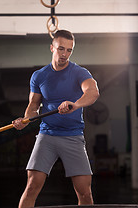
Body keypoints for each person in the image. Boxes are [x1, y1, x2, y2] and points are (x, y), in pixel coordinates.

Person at [12, 30, 99, 208]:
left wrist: (75, 105)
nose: (65, 54)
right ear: (52, 48)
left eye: (69, 50)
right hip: (47, 136)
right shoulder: (39, 76)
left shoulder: (79, 72)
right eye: (61, 49)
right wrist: (26, 120)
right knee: (31, 187)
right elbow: (33, 106)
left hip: (73, 136)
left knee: (85, 192)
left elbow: (93, 92)